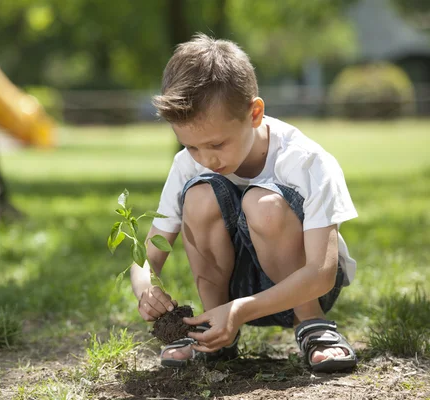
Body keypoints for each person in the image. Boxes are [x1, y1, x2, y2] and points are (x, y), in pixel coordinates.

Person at [129, 33, 358, 372]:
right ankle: (215, 332)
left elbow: (321, 274)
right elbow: (146, 258)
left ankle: (312, 325)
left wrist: (240, 311)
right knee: (199, 195)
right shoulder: (187, 166)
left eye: (217, 144)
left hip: (303, 287)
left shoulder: (306, 161)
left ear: (254, 113)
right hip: (229, 294)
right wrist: (146, 290)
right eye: (191, 147)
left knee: (262, 204)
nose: (205, 158)